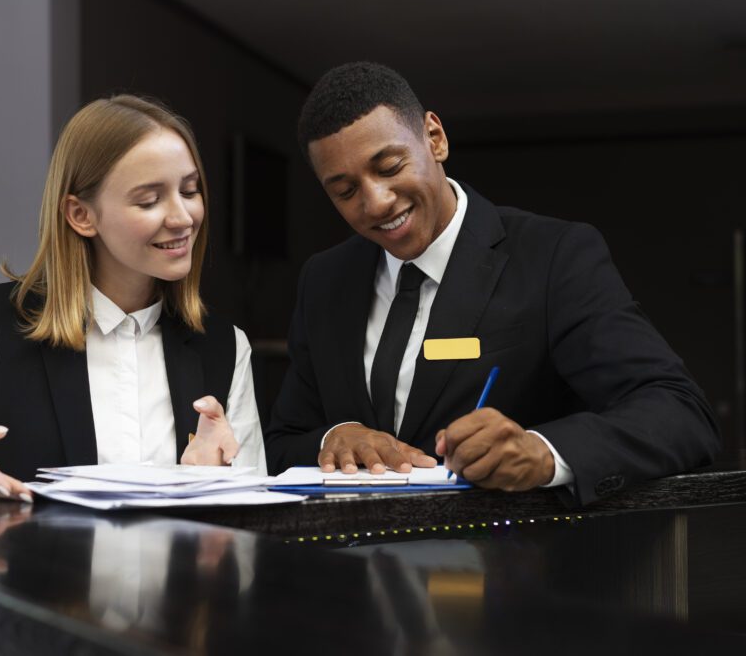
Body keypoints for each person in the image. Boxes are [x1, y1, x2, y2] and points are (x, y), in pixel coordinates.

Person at [264, 62, 719, 504]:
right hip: (358, 571)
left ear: (435, 139)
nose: (376, 202)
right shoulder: (325, 279)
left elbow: (678, 411)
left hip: (513, 568)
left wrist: (543, 453)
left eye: (389, 168)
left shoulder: (553, 255)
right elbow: (283, 440)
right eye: (345, 192)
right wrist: (335, 437)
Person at [0, 95, 266, 501]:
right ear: (81, 215)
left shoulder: (225, 347)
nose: (183, 217)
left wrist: (217, 488)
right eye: (149, 200)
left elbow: (259, 528)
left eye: (190, 190)